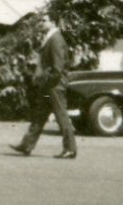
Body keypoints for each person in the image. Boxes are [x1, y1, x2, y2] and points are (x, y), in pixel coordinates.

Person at [10, 12, 78, 159]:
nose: (41, 23)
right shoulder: (51, 38)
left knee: (61, 116)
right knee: (40, 115)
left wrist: (44, 79)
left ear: (53, 22)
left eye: (44, 21)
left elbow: (58, 68)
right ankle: (26, 144)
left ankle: (70, 148)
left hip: (54, 85)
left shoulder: (56, 40)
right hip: (49, 85)